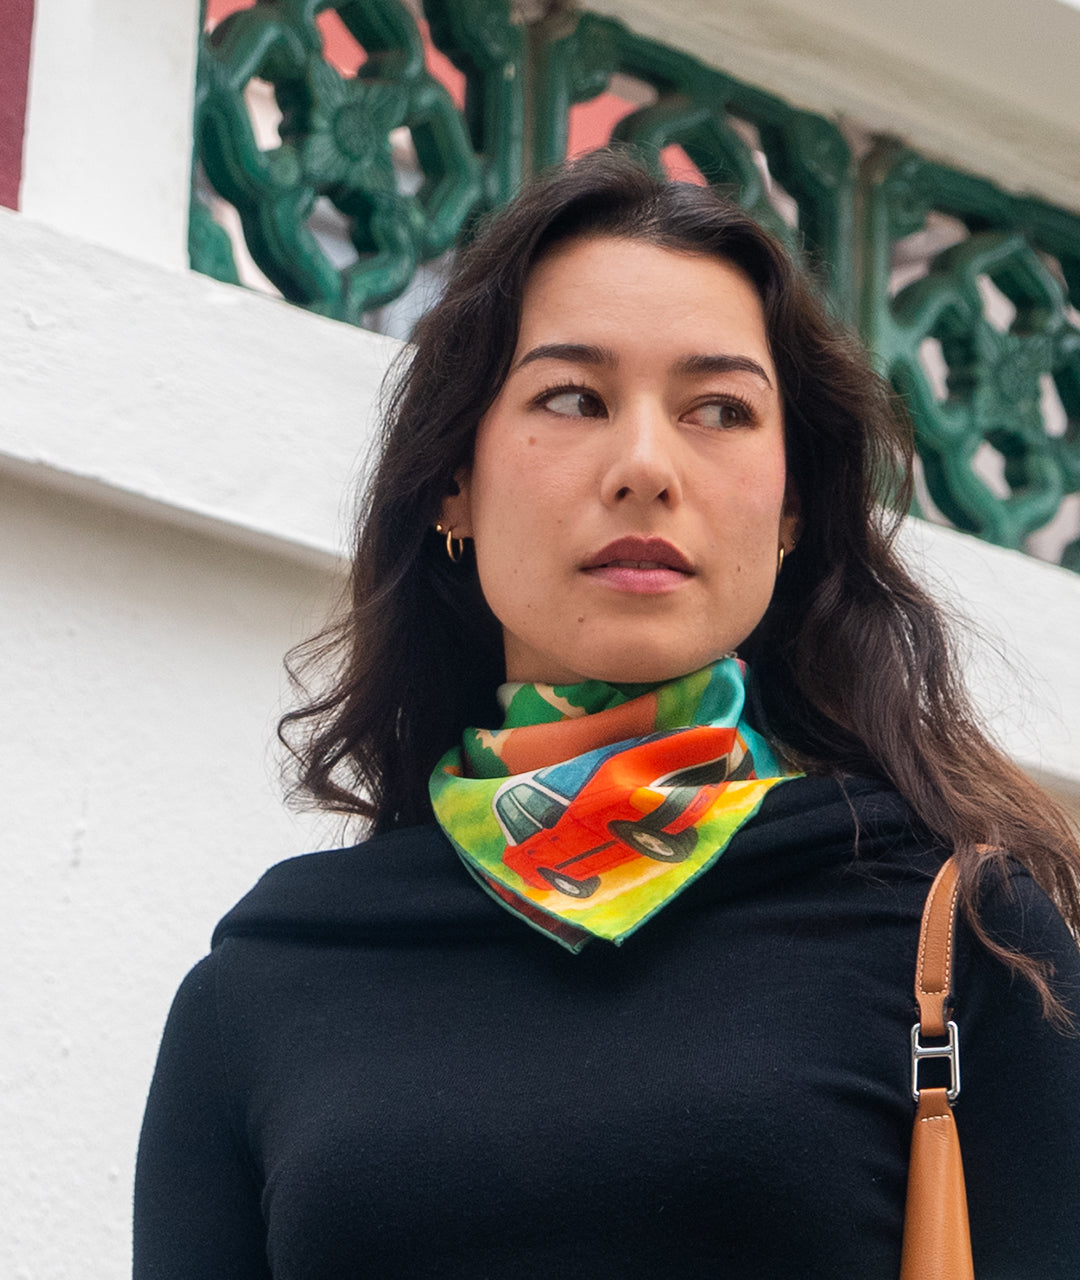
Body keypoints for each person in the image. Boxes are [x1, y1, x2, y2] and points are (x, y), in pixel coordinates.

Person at [134, 151, 1080, 1279]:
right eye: (573, 398)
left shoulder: (967, 935)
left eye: (719, 410)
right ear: (454, 482)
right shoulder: (271, 977)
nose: (644, 467)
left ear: (792, 507)